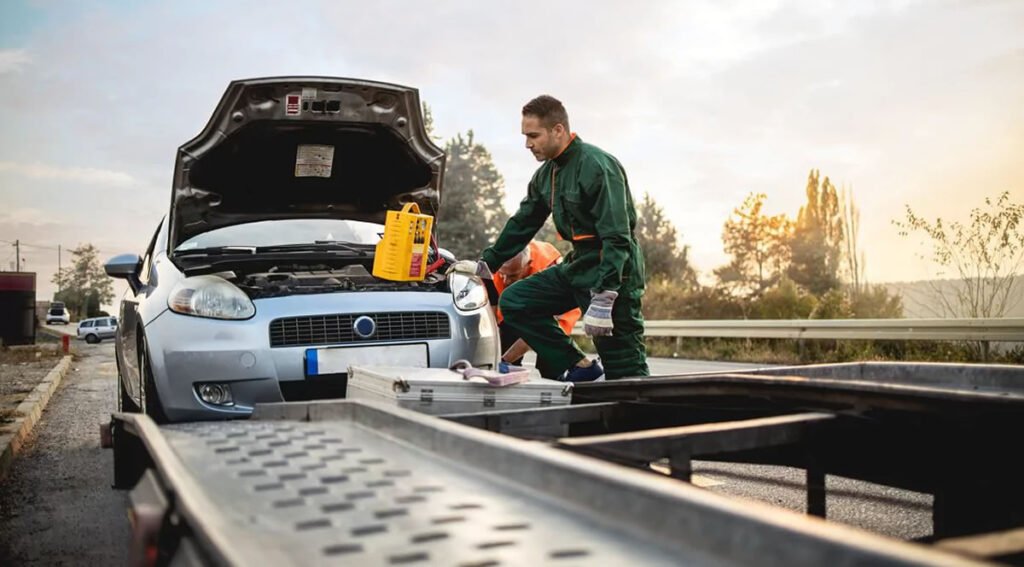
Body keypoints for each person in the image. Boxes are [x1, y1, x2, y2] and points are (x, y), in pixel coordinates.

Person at [451, 95, 648, 382]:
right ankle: (578, 365)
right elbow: (523, 222)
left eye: (533, 135)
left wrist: (605, 295)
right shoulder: (546, 176)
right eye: (525, 136)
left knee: (624, 367)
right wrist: (487, 263)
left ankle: (648, 417)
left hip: (613, 270)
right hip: (578, 265)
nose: (527, 144)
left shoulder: (598, 166)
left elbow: (616, 237)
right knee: (517, 300)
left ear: (558, 130)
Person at [492, 240, 581, 378]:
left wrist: (505, 360)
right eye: (503, 275)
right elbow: (492, 319)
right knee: (505, 337)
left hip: (558, 311)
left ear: (528, 265)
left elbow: (538, 330)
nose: (506, 281)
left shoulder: (548, 268)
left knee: (550, 359)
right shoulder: (492, 267)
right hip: (515, 305)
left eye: (513, 276)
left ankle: (562, 382)